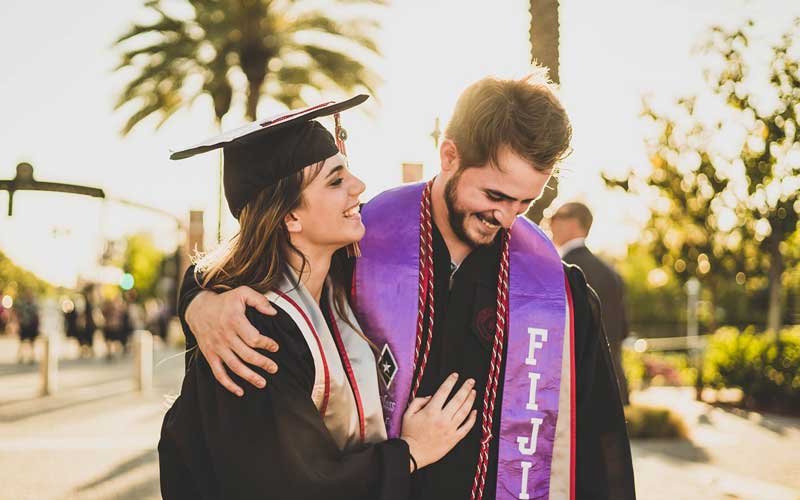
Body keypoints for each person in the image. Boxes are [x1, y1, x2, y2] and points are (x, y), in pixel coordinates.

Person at [180, 73, 636, 499]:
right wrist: (199, 300)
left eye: (525, 201)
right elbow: (256, 262)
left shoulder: (554, 292)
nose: (507, 218)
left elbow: (600, 442)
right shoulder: (359, 246)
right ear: (449, 156)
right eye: (494, 195)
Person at [159, 96, 477, 500]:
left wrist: (195, 299)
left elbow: (206, 273)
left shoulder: (339, 282)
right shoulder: (252, 332)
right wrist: (410, 453)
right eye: (335, 180)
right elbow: (292, 485)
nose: (359, 187)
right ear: (289, 217)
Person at [549, 202, 631, 405]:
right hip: (611, 386)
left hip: (573, 389)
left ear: (573, 223)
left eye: (555, 216)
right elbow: (622, 329)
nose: (550, 223)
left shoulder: (560, 271)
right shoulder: (611, 274)